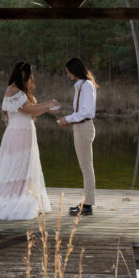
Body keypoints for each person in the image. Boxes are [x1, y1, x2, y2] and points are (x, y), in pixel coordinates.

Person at [0, 61, 60, 220]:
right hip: (19, 134)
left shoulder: (16, 91)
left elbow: (31, 112)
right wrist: (48, 104)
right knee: (17, 164)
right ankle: (14, 196)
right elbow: (29, 109)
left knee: (23, 165)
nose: (32, 78)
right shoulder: (15, 92)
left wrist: (46, 107)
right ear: (25, 74)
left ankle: (22, 193)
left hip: (22, 133)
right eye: (31, 75)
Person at [57, 58, 97, 216]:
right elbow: (80, 112)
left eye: (68, 71)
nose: (67, 74)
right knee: (85, 167)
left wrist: (67, 118)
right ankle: (86, 203)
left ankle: (87, 206)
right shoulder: (81, 86)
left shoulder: (86, 86)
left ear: (74, 70)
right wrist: (69, 119)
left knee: (86, 167)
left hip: (84, 128)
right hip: (80, 127)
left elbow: (86, 112)